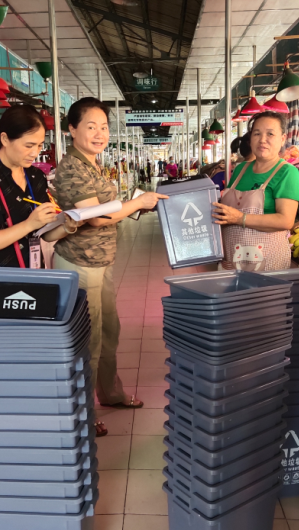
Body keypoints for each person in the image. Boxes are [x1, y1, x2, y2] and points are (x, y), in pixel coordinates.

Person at [52, 98, 169, 437]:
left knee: (108, 332)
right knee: (87, 340)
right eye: (91, 126)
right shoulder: (72, 169)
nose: (99, 133)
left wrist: (136, 207)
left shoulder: (92, 164)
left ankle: (111, 393)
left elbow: (109, 208)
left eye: (104, 126)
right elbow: (97, 217)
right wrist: (138, 202)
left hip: (100, 262)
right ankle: (83, 412)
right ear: (72, 129)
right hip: (79, 263)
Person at [0, 105, 78, 268]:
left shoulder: (35, 176)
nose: (34, 153)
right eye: (28, 146)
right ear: (5, 139)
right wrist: (29, 224)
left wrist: (68, 226)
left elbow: (44, 234)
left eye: (39, 145)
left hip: (32, 274)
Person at [212, 111, 299, 271]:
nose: (262, 140)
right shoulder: (240, 170)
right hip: (233, 260)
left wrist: (241, 218)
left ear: (282, 139)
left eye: (270, 134)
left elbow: (286, 221)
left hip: (267, 263)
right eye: (257, 134)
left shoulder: (287, 172)